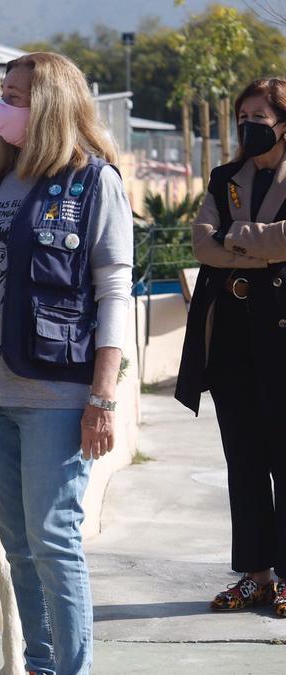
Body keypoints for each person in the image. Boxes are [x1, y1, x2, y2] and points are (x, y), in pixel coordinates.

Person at [0, 52, 133, 674]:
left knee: (53, 540)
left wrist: (102, 397)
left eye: (16, 95)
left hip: (57, 394)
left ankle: (69, 668)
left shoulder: (94, 182)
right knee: (17, 545)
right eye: (3, 92)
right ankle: (39, 663)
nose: (2, 107)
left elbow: (112, 290)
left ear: (50, 105)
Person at [177, 77, 286, 618]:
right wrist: (262, 246)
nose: (249, 126)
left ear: (284, 123)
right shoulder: (225, 177)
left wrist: (236, 239)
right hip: (230, 341)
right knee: (242, 460)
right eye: (244, 115)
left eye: (260, 118)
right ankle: (255, 574)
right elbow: (202, 243)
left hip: (281, 336)